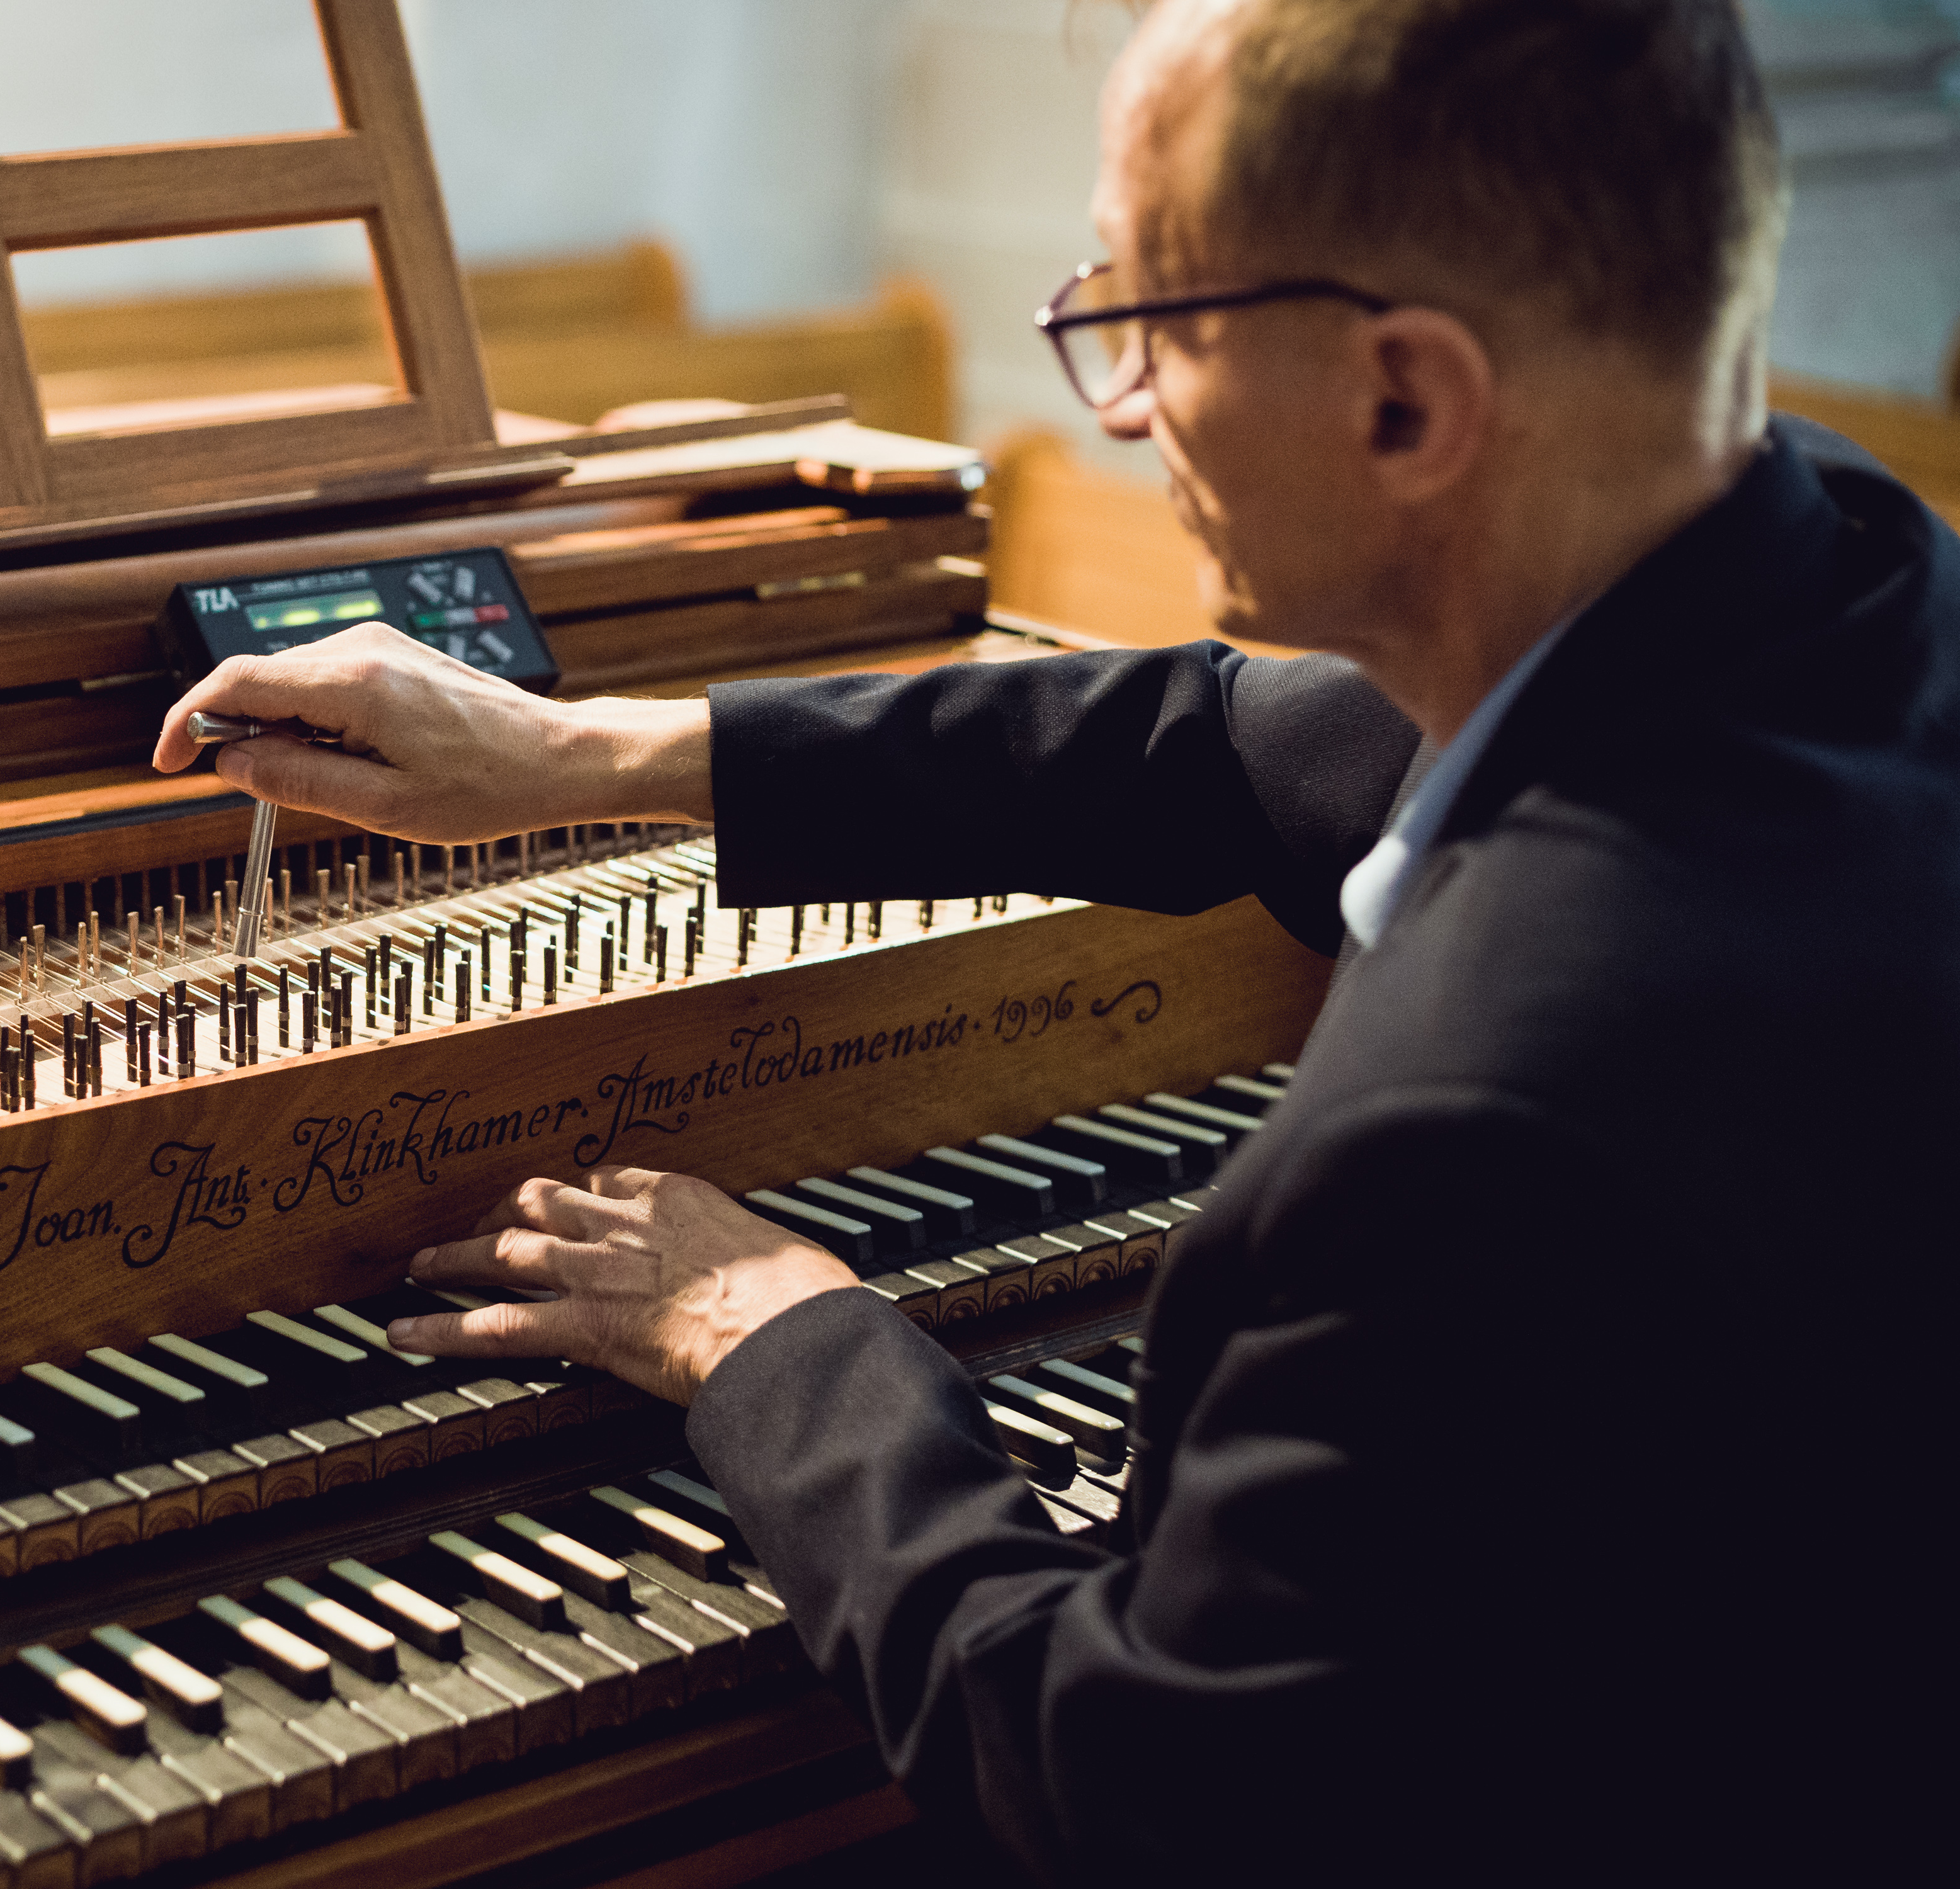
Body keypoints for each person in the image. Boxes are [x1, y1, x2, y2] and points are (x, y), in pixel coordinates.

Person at [154, 1, 1956, 1880]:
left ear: (1405, 401)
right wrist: (577, 756)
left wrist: (777, 1338)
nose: (1114, 406)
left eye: (1150, 325)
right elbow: (1222, 741)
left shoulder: (1470, 1139)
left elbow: (1131, 1792)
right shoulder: (1845, 580)